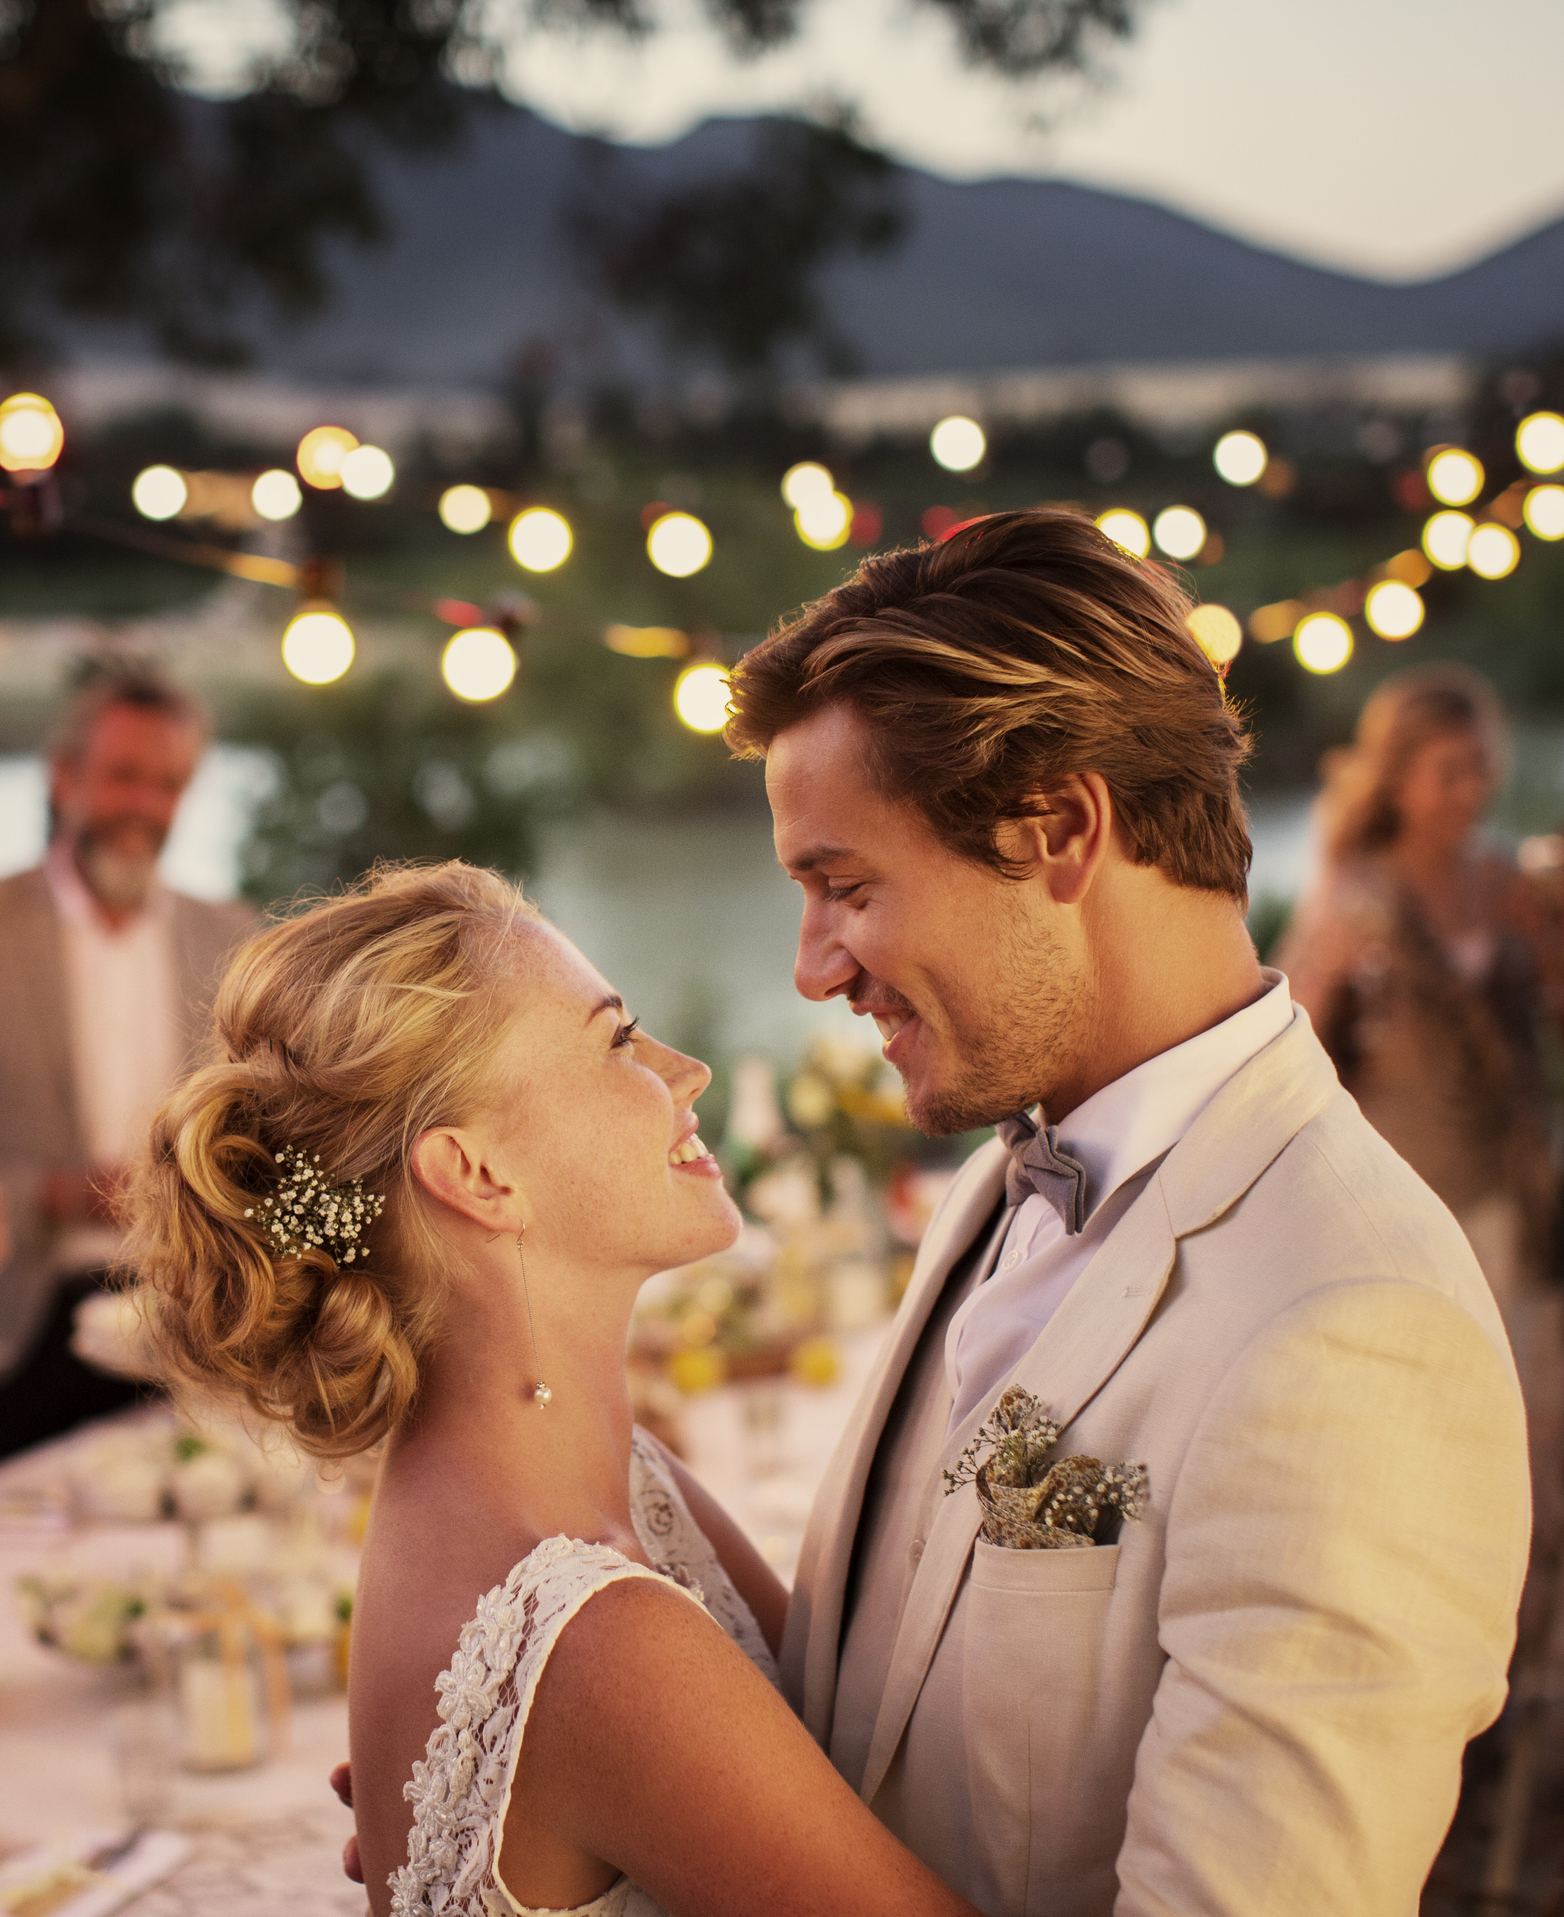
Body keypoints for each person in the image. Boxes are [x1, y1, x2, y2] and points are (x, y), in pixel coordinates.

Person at [718, 509, 1531, 1914]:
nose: (813, 970)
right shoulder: (1000, 1174)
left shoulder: (1354, 1327)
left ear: (1062, 829)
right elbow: (886, 1695)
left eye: (845, 885)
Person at [121, 862, 982, 1917]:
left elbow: (845, 1747)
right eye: (618, 1041)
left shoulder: (622, 1484)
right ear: (477, 1174)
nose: (690, 1070)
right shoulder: (597, 1641)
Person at [1277, 666, 1562, 1644]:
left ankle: (1510, 1631)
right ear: (1396, 780)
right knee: (1431, 1417)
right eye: (1448, 772)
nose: (1471, 791)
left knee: (1522, 1412)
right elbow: (1294, 1048)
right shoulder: (1357, 895)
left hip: (1510, 1183)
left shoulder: (1508, 882)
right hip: (1409, 1194)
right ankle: (1430, 1621)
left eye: (1480, 768)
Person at [0, 666, 253, 1456]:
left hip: (193, 1318)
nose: (146, 806)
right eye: (124, 776)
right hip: (27, 1320)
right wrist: (48, 1194)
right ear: (65, 775)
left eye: (170, 783)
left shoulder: (234, 939)